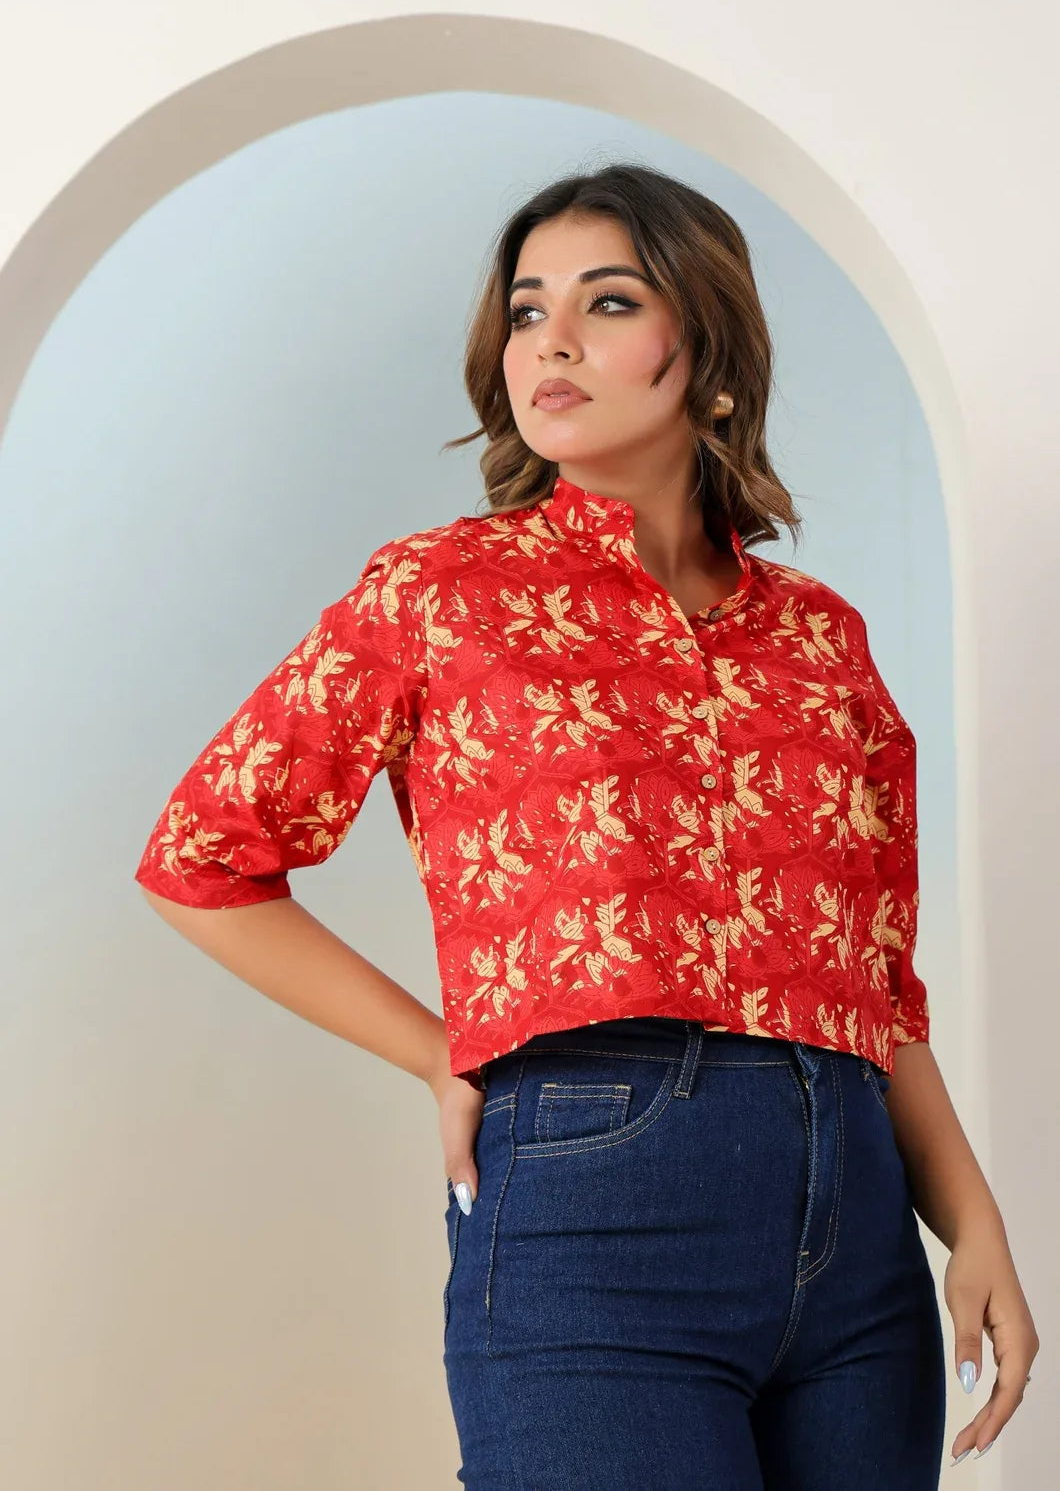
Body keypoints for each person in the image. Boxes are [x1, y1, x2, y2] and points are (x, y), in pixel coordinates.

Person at [134, 162, 1038, 1487]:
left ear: (710, 357)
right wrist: (445, 1052)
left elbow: (881, 991)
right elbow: (200, 859)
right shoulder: (440, 592)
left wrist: (975, 1223)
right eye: (524, 310)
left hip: (859, 1246)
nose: (547, 339)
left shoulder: (822, 640)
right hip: (598, 1209)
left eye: (606, 301)